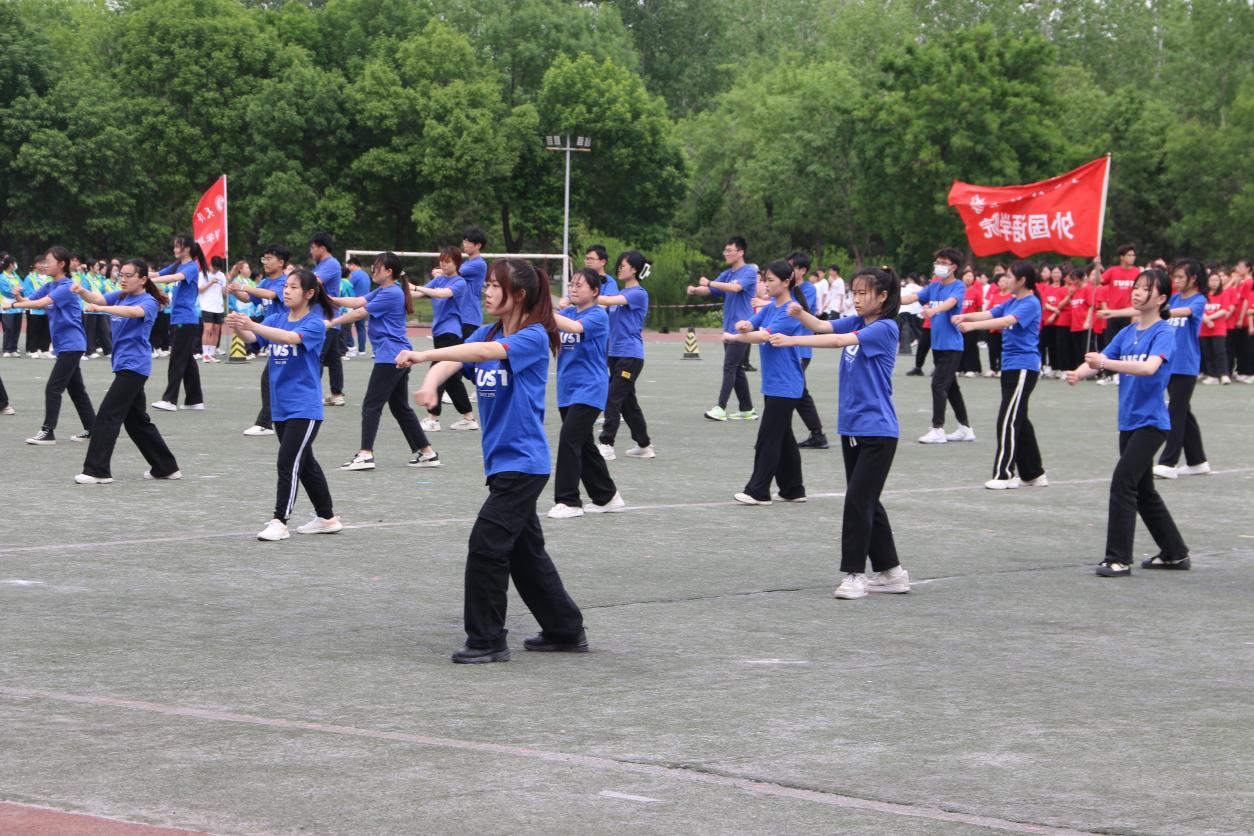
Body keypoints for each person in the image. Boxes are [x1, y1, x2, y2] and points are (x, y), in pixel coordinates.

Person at [398, 258, 587, 664]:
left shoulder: (532, 336)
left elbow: (487, 352)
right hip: (501, 463)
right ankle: (565, 628)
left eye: (494, 285)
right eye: (486, 284)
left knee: (486, 545)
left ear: (518, 295)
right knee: (525, 554)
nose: (486, 291)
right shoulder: (489, 330)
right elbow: (458, 358)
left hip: (523, 464)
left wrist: (422, 353)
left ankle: (487, 640)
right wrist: (430, 382)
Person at [770, 267, 910, 600]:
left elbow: (835, 340)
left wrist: (792, 340)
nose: (856, 299)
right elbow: (823, 326)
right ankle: (891, 572)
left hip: (877, 430)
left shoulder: (884, 328)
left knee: (858, 501)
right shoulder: (858, 321)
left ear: (883, 297)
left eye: (863, 293)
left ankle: (854, 574)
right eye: (854, 293)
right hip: (853, 427)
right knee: (867, 500)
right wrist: (800, 314)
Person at [1066, 269, 1189, 577]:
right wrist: (1079, 373)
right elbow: (1099, 361)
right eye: (1136, 287)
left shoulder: (1164, 333)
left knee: (1123, 481)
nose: (1136, 292)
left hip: (1152, 424)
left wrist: (1104, 363)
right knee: (1143, 491)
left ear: (1161, 298)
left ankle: (1118, 558)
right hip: (1129, 422)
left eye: (1145, 289)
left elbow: (1148, 368)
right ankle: (1174, 553)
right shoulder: (1127, 333)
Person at [228, 269, 342, 542]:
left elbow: (291, 339)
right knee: (306, 464)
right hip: (281, 408)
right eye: (285, 286)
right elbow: (254, 340)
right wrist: (238, 326)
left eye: (293, 287)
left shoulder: (314, 324)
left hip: (305, 408)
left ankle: (280, 521)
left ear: (309, 293)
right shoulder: (276, 318)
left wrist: (253, 325)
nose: (286, 291)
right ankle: (327, 518)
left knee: (287, 462)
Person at [71, 259, 181, 484]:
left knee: (107, 415)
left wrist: (102, 309)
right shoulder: (120, 295)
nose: (123, 279)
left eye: (129, 275)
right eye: (121, 275)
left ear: (143, 279)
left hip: (135, 367)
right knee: (136, 421)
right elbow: (96, 298)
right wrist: (81, 291)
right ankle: (166, 467)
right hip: (123, 365)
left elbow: (132, 312)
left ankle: (97, 470)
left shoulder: (148, 301)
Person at [327, 252, 440, 471]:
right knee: (400, 408)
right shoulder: (384, 289)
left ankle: (365, 454)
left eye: (376, 266)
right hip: (396, 355)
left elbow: (359, 313)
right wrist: (329, 298)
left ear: (388, 271)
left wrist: (331, 322)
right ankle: (427, 453)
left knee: (371, 405)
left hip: (391, 357)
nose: (373, 269)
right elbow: (357, 301)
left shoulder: (392, 293)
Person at [723, 260, 811, 506]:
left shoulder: (791, 311)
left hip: (786, 384)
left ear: (786, 282)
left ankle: (758, 490)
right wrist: (743, 325)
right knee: (783, 437)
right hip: (775, 383)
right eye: (764, 280)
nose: (766, 284)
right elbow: (753, 324)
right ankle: (793, 489)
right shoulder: (771, 307)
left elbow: (764, 335)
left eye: (770, 280)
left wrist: (735, 337)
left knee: (768, 438)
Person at [954, 261, 1048, 490]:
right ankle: (1034, 473)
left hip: (1024, 367)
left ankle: (1004, 474)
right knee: (1019, 418)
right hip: (1010, 366)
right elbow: (989, 313)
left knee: (1008, 419)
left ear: (1022, 280)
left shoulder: (1030, 303)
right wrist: (964, 317)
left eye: (1009, 276)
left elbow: (1007, 321)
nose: (1004, 280)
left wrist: (972, 327)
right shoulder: (1012, 301)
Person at [547, 268, 624, 518]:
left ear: (594, 291)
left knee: (569, 438)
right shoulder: (567, 312)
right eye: (571, 284)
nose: (573, 288)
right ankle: (607, 496)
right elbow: (551, 326)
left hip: (590, 388)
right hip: (567, 389)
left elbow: (573, 327)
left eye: (579, 285)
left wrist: (544, 311)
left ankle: (568, 500)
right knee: (584, 444)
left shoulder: (598, 315)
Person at [12, 247, 96, 444]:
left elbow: (39, 304)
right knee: (77, 390)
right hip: (64, 345)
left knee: (53, 388)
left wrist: (14, 305)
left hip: (72, 344)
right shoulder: (50, 285)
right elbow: (29, 300)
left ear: (61, 264)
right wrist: (17, 297)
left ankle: (48, 431)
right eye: (44, 261)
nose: (44, 265)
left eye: (48, 261)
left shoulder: (66, 286)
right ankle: (93, 428)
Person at [900, 248, 973, 443]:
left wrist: (934, 310)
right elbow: (914, 297)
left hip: (952, 346)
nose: (939, 266)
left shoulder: (958, 286)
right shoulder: (934, 286)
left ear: (953, 267)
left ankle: (938, 429)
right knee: (951, 388)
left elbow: (951, 302)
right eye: (937, 262)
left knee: (938, 384)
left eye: (943, 263)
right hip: (938, 345)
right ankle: (965, 428)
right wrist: (889, 301)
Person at [687, 236, 758, 421]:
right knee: (737, 368)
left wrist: (709, 282)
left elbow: (735, 288)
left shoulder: (749, 271)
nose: (725, 254)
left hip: (742, 328)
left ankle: (721, 407)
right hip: (729, 328)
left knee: (730, 367)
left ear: (740, 252)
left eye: (729, 250)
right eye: (725, 250)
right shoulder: (727, 273)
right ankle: (747, 409)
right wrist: (695, 290)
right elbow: (711, 290)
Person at [1152, 258, 1209, 478]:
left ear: (1193, 278)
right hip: (1170, 363)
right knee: (1183, 411)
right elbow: (1157, 309)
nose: (1175, 281)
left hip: (1186, 365)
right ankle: (1197, 461)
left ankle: (1168, 463)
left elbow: (1185, 311)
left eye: (1179, 277)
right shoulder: (1174, 298)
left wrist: (1166, 313)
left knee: (1175, 412)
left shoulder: (1199, 300)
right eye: (1174, 276)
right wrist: (1114, 313)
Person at [411, 246, 477, 432]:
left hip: (451, 333)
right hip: (439, 332)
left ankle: (432, 418)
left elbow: (441, 293)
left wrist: (415, 286)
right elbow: (419, 294)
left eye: (447, 261)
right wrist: (402, 289)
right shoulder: (438, 280)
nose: (443, 264)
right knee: (452, 379)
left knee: (438, 371)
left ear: (457, 263)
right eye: (441, 260)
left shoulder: (460, 282)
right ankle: (469, 418)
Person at [229, 244, 291, 437]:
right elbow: (248, 298)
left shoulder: (285, 282)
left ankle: (265, 423)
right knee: (275, 380)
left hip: (285, 334)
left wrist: (243, 286)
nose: (265, 262)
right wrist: (234, 290)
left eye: (269, 258)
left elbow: (271, 295)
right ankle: (280, 419)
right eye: (264, 258)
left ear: (281, 262)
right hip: (270, 334)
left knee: (270, 379)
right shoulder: (264, 282)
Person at [597, 251, 654, 460]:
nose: (619, 268)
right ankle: (644, 445)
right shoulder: (621, 293)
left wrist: (588, 294)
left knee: (613, 397)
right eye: (619, 265)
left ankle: (606, 443)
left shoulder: (638, 293)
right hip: (615, 354)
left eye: (624, 265)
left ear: (635, 269)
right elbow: (603, 305)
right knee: (628, 403)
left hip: (630, 356)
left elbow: (606, 300)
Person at [149, 234, 208, 411]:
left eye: (178, 246)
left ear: (187, 248)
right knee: (187, 360)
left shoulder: (191, 267)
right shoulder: (177, 265)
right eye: (174, 246)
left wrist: (150, 281)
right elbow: (157, 274)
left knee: (177, 359)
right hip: (178, 319)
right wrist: (139, 274)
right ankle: (194, 400)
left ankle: (169, 400)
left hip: (185, 320)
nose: (175, 249)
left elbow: (174, 278)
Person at [787, 252, 828, 449]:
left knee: (793, 392)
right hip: (788, 348)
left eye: (792, 267)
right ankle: (817, 435)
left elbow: (800, 310)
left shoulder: (808, 289)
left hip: (801, 350)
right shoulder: (785, 288)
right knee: (798, 392)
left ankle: (815, 435)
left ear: (802, 270)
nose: (788, 271)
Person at [309, 232, 346, 407]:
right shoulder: (322, 265)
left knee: (317, 357)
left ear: (322, 248)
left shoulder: (331, 264)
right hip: (327, 319)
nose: (311, 251)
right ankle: (336, 395)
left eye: (313, 247)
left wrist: (293, 275)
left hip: (324, 320)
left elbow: (313, 282)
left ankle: (312, 395)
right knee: (333, 359)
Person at [1199, 268, 1234, 385]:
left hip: (1218, 329)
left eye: (1216, 280)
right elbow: (1199, 309)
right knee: (1207, 353)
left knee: (1220, 352)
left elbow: (1224, 310)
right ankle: (1212, 375)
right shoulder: (1203, 295)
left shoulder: (1224, 294)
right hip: (1204, 329)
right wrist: (1206, 319)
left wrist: (1210, 318)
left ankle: (1224, 374)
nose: (1214, 283)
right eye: (1212, 280)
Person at [459, 227, 488, 340]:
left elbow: (454, 273)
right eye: (464, 241)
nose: (464, 245)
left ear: (478, 246)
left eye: (468, 242)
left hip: (469, 317)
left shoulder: (479, 264)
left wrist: (440, 271)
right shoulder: (466, 263)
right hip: (462, 316)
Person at [198, 255, 228, 363]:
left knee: (216, 330)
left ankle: (211, 354)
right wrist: (211, 282)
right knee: (208, 329)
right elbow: (200, 290)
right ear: (211, 264)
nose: (216, 270)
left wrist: (227, 288)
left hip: (218, 306)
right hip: (207, 306)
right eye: (215, 268)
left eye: (218, 269)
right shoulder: (202, 274)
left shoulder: (222, 275)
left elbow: (224, 292)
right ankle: (205, 354)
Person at [344, 255, 372, 357]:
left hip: (354, 303)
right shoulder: (366, 274)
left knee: (346, 327)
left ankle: (350, 347)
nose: (348, 268)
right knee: (361, 327)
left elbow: (347, 287)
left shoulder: (353, 275)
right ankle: (362, 350)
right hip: (365, 304)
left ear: (352, 265)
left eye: (348, 265)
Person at [957, 266, 983, 376]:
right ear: (962, 277)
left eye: (971, 276)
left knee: (970, 346)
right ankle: (959, 368)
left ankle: (971, 369)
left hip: (971, 324)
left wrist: (978, 322)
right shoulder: (958, 292)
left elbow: (980, 308)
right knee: (959, 345)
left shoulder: (976, 292)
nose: (968, 278)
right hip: (958, 323)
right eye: (966, 276)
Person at [21, 264, 51, 358]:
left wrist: (47, 301)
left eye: (45, 263)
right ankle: (33, 350)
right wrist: (41, 301)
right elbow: (27, 292)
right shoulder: (30, 278)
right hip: (35, 309)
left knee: (46, 329)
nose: (44, 265)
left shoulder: (50, 277)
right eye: (42, 263)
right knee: (34, 330)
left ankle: (45, 350)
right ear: (36, 265)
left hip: (47, 308)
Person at [1, 255, 24, 356]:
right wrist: (16, 290)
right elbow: (5, 291)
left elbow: (22, 286)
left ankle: (14, 349)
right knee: (8, 328)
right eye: (14, 263)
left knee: (17, 328)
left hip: (18, 306)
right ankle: (6, 349)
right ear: (10, 264)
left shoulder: (16, 276)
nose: (15, 265)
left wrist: (17, 290)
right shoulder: (2, 277)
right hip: (7, 306)